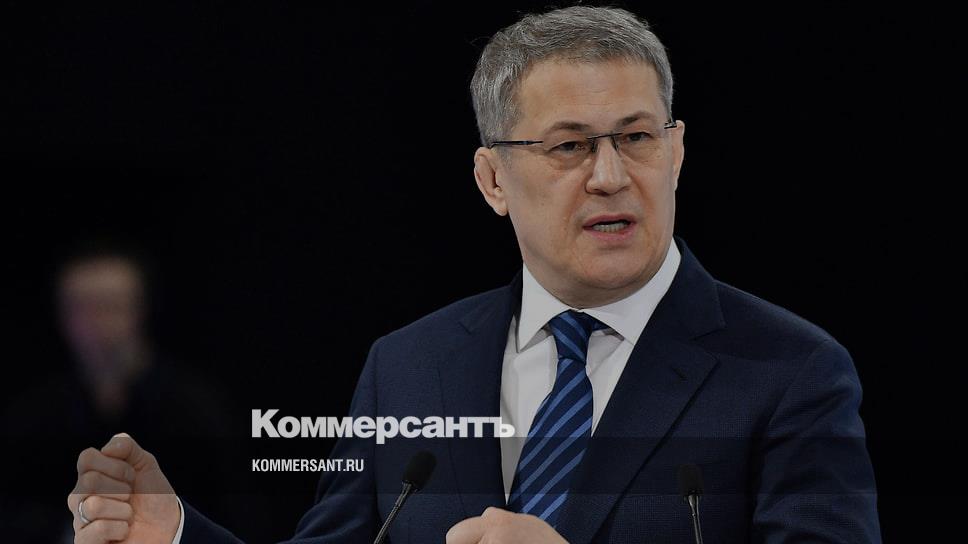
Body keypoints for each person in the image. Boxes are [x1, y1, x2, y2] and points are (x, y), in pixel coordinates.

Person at [67, 6, 881, 543]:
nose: (610, 176)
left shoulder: (789, 371)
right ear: (493, 180)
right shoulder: (408, 366)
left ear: (676, 152)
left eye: (636, 138)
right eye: (570, 146)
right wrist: (175, 533)